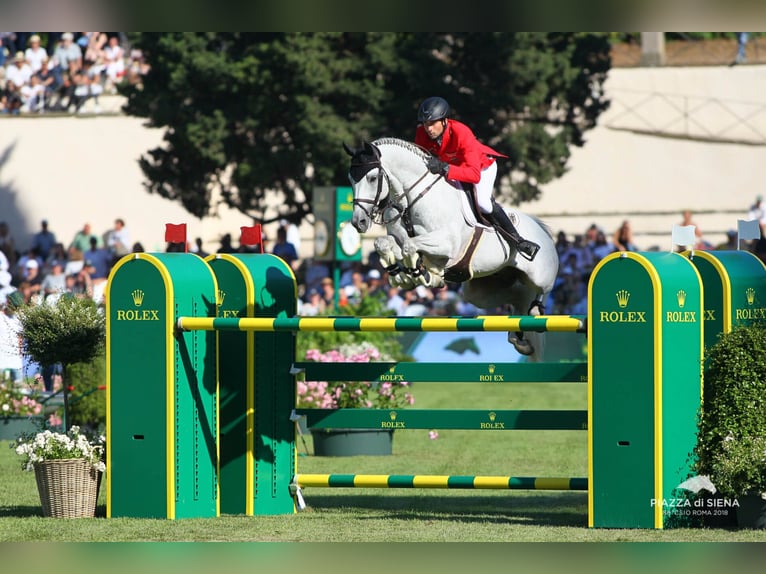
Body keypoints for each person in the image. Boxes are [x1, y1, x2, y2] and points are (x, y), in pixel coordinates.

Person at [414, 96, 539, 260]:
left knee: (483, 203)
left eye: (432, 123)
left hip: (482, 167)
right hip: (452, 169)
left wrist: (445, 168)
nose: (428, 128)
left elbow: (473, 175)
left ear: (444, 121)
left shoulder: (461, 132)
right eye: (425, 124)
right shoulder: (421, 134)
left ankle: (518, 240)